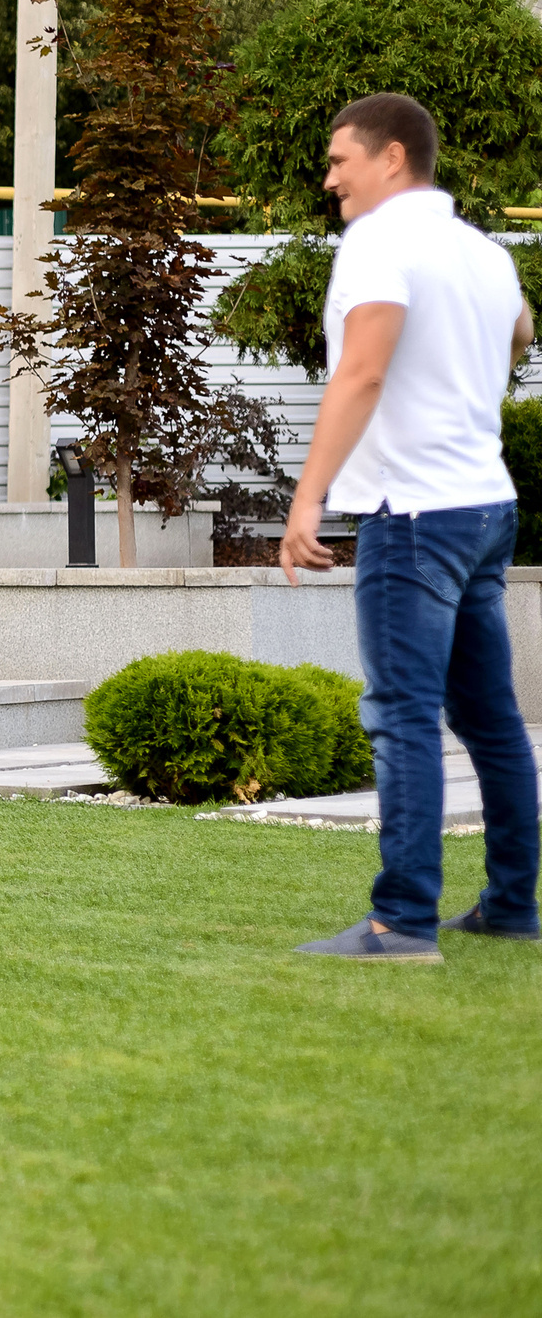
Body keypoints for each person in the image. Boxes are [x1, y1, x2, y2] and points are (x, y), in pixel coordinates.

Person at [282, 93, 539, 962]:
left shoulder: (379, 243)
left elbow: (361, 370)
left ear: (392, 157)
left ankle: (402, 922)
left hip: (414, 513)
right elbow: (520, 336)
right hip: (484, 506)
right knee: (492, 719)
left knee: (402, 716)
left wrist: (308, 497)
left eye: (339, 159)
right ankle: (510, 905)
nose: (330, 178)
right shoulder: (483, 251)